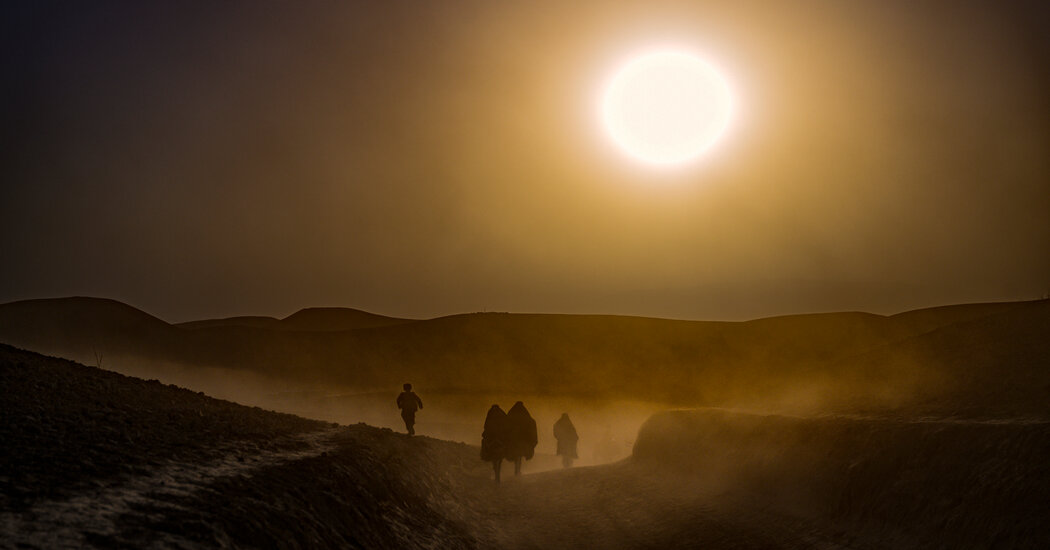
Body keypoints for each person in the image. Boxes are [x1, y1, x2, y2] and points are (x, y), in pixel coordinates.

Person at [504, 401, 538, 476]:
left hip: (514, 441)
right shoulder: (526, 416)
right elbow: (531, 428)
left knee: (517, 456)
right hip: (521, 442)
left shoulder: (511, 415)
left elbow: (505, 428)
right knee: (519, 456)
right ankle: (517, 471)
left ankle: (517, 470)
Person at [481, 404, 509, 484]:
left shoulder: (490, 413)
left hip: (492, 438)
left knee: (489, 451)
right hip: (500, 438)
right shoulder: (501, 413)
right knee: (500, 457)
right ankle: (497, 474)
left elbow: (486, 425)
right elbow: (506, 425)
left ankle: (496, 472)